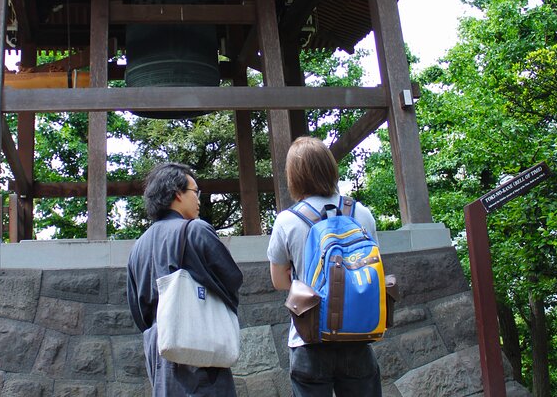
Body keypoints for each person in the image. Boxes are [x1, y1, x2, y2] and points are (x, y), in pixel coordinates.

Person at [267, 136, 382, 396]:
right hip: (357, 335)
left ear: (294, 177)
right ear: (330, 168)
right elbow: (372, 268)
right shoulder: (360, 213)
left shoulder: (287, 220)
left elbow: (279, 282)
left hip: (309, 338)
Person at [127, 162, 244, 396]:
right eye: (195, 192)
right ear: (177, 193)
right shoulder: (195, 230)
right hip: (197, 346)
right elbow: (231, 279)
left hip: (159, 349)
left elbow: (138, 312)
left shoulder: (137, 248)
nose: (199, 199)